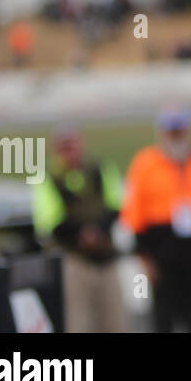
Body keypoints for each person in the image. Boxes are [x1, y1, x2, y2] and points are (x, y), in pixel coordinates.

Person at [120, 109, 191, 332]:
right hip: (161, 252)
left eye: (180, 131)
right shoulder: (145, 163)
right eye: (171, 132)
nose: (176, 136)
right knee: (163, 318)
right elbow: (135, 215)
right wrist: (144, 258)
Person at [32, 128, 129, 332]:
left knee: (115, 321)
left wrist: (97, 231)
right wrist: (82, 234)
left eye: (72, 144)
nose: (69, 150)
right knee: (77, 322)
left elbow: (117, 205)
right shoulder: (46, 178)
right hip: (72, 258)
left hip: (105, 256)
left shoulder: (101, 169)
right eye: (64, 146)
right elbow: (48, 221)